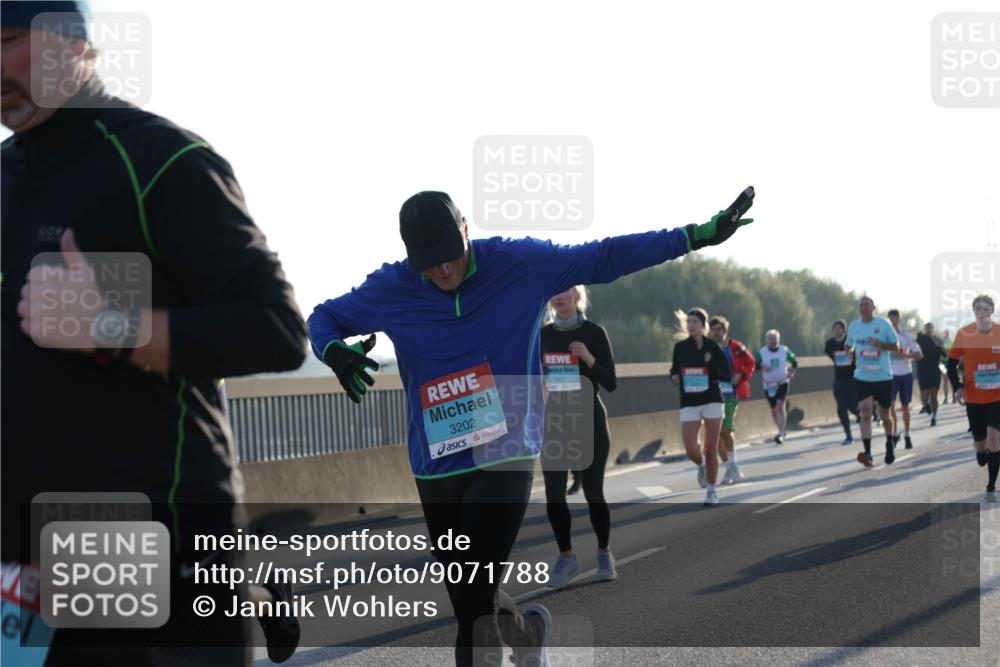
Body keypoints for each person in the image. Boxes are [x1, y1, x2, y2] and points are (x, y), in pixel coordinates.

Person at [307, 188, 755, 665]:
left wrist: (693, 237)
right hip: (436, 464)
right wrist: (334, 351)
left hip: (507, 450)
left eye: (450, 257)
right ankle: (526, 633)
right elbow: (324, 316)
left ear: (465, 231)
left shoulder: (518, 262)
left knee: (472, 606)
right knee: (469, 594)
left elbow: (604, 256)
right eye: (429, 263)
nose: (442, 270)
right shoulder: (394, 286)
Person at [1, 3, 307, 664]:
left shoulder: (160, 161)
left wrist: (114, 326)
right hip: (20, 563)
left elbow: (277, 328)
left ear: (73, 45)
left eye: (7, 41)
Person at [540, 285, 617, 588]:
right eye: (554, 291)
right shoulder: (543, 335)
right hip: (556, 421)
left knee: (593, 494)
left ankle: (604, 552)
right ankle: (567, 557)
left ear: (578, 295)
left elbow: (610, 383)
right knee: (554, 495)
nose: (558, 296)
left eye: (566, 290)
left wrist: (588, 359)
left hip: (590, 420)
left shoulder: (594, 333)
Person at [671, 308, 732, 506]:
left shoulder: (712, 348)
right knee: (691, 450)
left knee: (709, 448)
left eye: (695, 322)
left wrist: (711, 363)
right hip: (689, 402)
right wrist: (675, 377)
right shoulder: (680, 348)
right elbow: (674, 371)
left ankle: (711, 491)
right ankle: (702, 466)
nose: (691, 325)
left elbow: (726, 374)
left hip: (712, 400)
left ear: (703, 326)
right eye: (688, 321)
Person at [946, 295, 1000, 501]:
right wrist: (957, 387)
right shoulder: (964, 334)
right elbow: (950, 364)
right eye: (978, 308)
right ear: (974, 311)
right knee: (981, 444)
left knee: (995, 438)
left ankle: (991, 485)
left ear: (992, 311)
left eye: (986, 308)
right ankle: (980, 451)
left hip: (997, 398)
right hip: (974, 400)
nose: (982, 311)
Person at [845, 296, 899, 467]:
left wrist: (880, 344)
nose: (863, 307)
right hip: (862, 377)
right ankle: (867, 453)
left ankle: (889, 442)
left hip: (883, 377)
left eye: (867, 305)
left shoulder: (883, 324)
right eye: (861, 305)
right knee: (865, 414)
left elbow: (896, 347)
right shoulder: (854, 326)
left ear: (874, 307)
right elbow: (848, 344)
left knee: (885, 415)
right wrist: (850, 350)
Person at [708, 315, 756, 482]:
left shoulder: (735, 347)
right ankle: (730, 468)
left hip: (730, 394)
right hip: (711, 395)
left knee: (725, 430)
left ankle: (733, 464)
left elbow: (751, 362)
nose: (715, 333)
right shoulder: (705, 348)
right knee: (715, 437)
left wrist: (741, 374)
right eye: (712, 330)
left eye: (718, 330)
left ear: (725, 331)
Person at [754, 330, 798, 444]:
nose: (773, 341)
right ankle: (781, 430)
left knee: (780, 405)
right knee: (774, 410)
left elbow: (794, 361)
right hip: (768, 384)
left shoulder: (784, 350)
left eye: (775, 339)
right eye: (771, 339)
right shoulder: (761, 353)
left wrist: (791, 372)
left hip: (782, 381)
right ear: (767, 340)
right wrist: (761, 367)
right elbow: (753, 366)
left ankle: (782, 433)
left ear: (778, 339)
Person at [887, 309, 923, 450]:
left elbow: (919, 355)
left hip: (905, 373)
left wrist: (905, 355)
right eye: (891, 319)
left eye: (896, 318)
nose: (894, 321)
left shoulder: (906, 336)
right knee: (889, 405)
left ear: (899, 320)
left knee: (905, 406)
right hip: (890, 374)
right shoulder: (885, 336)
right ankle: (895, 431)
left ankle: (907, 434)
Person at [825, 320, 860, 444]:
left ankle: (860, 418)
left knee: (854, 408)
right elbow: (831, 356)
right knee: (841, 408)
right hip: (839, 380)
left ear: (843, 330)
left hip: (853, 380)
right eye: (835, 328)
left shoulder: (851, 343)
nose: (837, 330)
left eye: (839, 328)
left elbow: (857, 356)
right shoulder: (830, 344)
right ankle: (848, 435)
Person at [915, 322, 948, 425]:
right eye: (927, 328)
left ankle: (934, 417)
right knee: (924, 395)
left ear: (933, 329)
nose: (929, 329)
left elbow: (945, 355)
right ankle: (926, 404)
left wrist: (943, 348)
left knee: (934, 395)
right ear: (924, 329)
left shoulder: (938, 340)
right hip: (922, 370)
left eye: (931, 328)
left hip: (934, 370)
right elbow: (913, 350)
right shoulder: (919, 340)